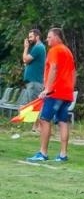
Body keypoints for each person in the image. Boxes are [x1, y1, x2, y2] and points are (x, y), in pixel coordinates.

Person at [27, 27, 75, 163]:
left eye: (49, 37)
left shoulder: (55, 50)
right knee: (62, 121)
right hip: (66, 92)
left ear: (56, 37)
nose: (47, 40)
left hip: (55, 92)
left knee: (44, 119)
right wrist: (71, 88)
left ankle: (43, 153)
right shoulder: (68, 51)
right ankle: (63, 154)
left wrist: (47, 89)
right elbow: (73, 72)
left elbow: (53, 68)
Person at [20, 27, 45, 103]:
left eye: (31, 37)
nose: (29, 39)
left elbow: (25, 59)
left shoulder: (38, 47)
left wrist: (26, 47)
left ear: (37, 37)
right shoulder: (36, 47)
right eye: (29, 37)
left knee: (33, 108)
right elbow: (26, 60)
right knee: (28, 108)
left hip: (35, 83)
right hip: (32, 83)